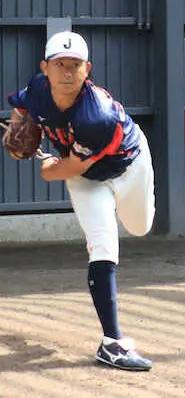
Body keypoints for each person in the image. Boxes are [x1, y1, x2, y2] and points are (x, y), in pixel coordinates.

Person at [5, 31, 155, 369]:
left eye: (75, 65)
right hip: (87, 180)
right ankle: (112, 342)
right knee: (103, 245)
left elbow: (68, 165)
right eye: (60, 64)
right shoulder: (39, 88)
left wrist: (46, 169)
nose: (67, 72)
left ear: (88, 69)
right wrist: (17, 138)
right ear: (46, 67)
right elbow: (23, 108)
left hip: (128, 164)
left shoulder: (95, 114)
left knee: (141, 227)